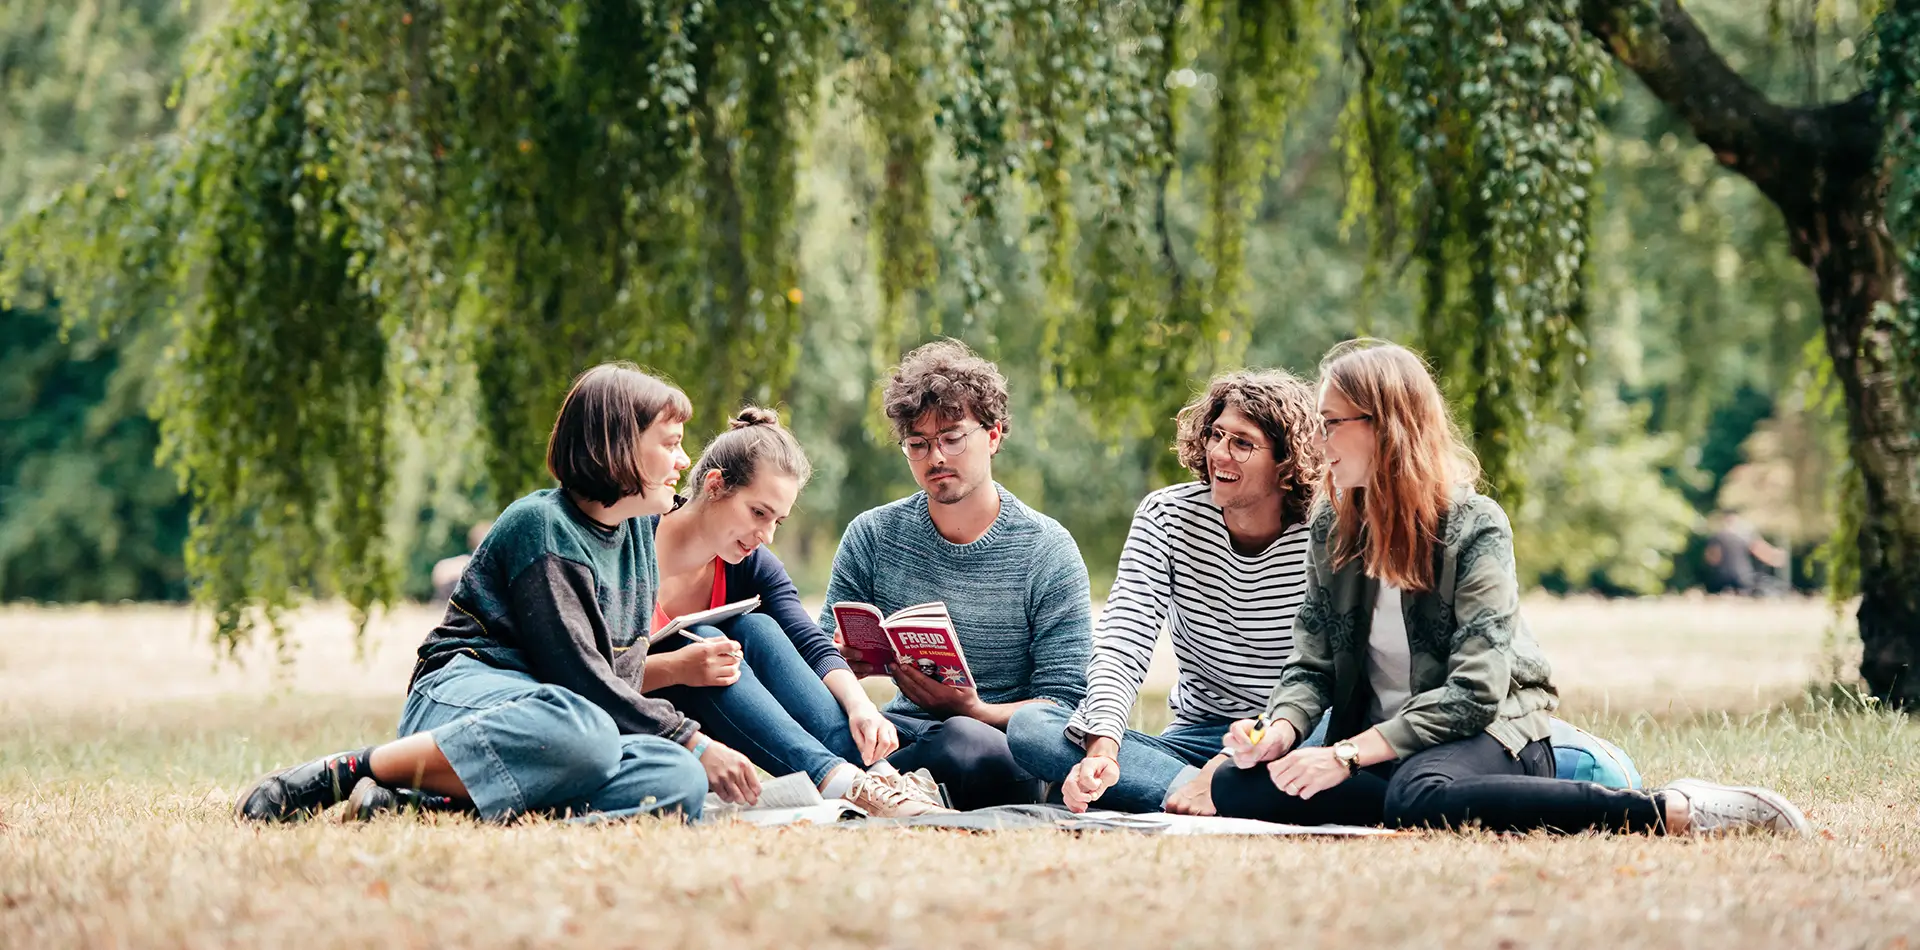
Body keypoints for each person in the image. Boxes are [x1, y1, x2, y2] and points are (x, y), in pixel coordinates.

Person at [1212, 340, 1811, 837]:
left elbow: (1475, 690)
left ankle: (1671, 810)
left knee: (1418, 794)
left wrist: (1344, 756)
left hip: (1487, 727)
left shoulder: (1475, 526)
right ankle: (1468, 799)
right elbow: (1311, 664)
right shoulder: (1331, 525)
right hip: (1380, 746)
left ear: (1385, 426)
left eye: (1330, 423)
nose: (1317, 441)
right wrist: (1279, 732)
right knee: (1234, 784)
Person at [234, 363, 758, 823]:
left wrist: (684, 747)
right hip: (467, 694)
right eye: (669, 443)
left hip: (561, 718)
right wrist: (695, 738)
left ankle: (425, 805)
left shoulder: (636, 538)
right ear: (618, 444)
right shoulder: (542, 527)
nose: (684, 460)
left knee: (675, 779)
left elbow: (612, 678)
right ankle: (347, 771)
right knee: (591, 733)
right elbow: (582, 681)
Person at [1008, 369, 1326, 814]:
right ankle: (1212, 794)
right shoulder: (1168, 515)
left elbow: (1326, 676)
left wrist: (1242, 754)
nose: (1219, 453)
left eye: (1242, 443)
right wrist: (1103, 748)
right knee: (1032, 728)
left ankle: (1208, 791)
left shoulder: (1325, 530)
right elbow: (1124, 638)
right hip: (1197, 735)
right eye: (1216, 435)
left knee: (1333, 722)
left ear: (1286, 460)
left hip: (1290, 731)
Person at [818, 340, 1094, 810]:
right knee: (817, 715)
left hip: (993, 743)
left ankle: (876, 785)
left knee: (966, 742)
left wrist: (972, 708)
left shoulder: (1047, 549)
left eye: (952, 437)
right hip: (897, 733)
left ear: (993, 435)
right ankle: (888, 781)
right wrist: (846, 666)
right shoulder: (872, 534)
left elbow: (1065, 704)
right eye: (918, 444)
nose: (935, 458)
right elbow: (818, 652)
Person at [643, 407, 948, 817]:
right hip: (644, 713)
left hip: (720, 715)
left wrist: (860, 706)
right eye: (758, 513)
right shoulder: (632, 541)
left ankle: (877, 776)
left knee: (758, 628)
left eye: (778, 522)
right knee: (709, 642)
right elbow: (587, 671)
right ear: (715, 485)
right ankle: (841, 781)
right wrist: (677, 666)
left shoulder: (749, 563)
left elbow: (809, 641)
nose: (765, 535)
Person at [1703, 512, 1788, 596]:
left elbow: (1712, 558)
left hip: (1719, 580)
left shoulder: (1717, 537)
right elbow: (1761, 551)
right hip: (1742, 579)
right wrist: (1776, 557)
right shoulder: (1744, 535)